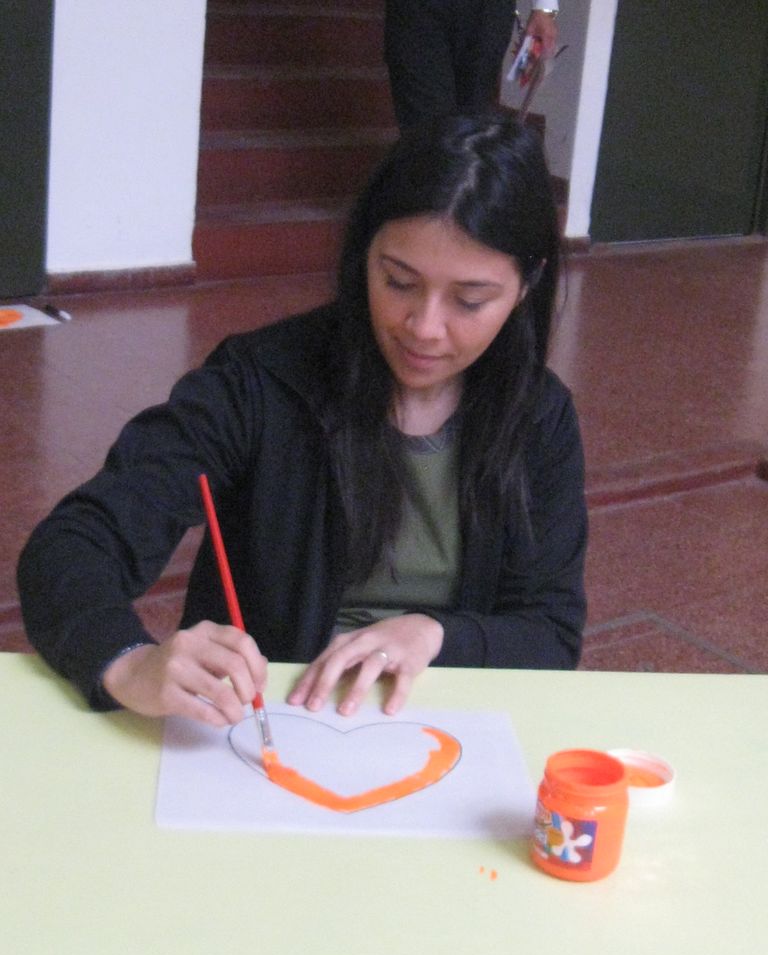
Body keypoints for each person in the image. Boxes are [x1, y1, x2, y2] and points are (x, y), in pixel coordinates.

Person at [17, 111, 587, 729]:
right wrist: (126, 661)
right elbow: (74, 545)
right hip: (265, 724)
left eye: (469, 301)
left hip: (439, 721)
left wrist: (436, 634)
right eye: (398, 282)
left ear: (526, 285)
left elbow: (549, 632)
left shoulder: (538, 417)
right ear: (363, 256)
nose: (424, 327)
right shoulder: (260, 383)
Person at [384, 0, 559, 130]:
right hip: (417, 10)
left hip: (486, 9)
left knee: (474, 124)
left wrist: (544, 7)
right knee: (425, 129)